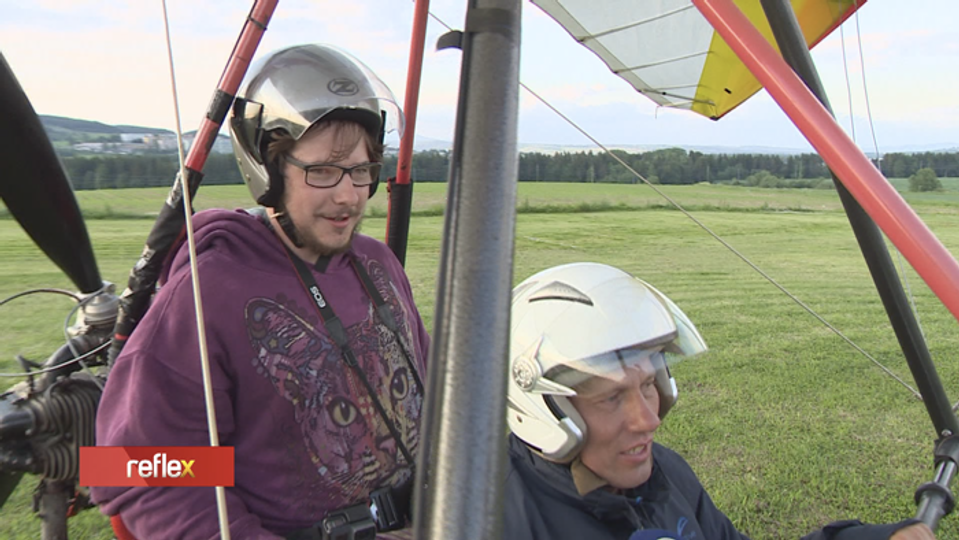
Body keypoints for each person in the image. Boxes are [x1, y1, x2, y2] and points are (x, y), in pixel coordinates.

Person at [92, 44, 429, 540]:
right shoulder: (209, 292)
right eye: (322, 171)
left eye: (361, 170)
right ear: (268, 168)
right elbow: (137, 469)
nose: (348, 195)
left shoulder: (377, 265)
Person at [503, 262, 935, 540]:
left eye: (649, 384)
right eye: (612, 397)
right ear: (545, 411)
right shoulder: (494, 518)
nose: (648, 420)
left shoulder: (663, 472)